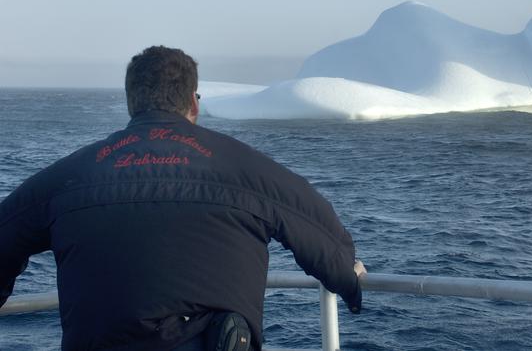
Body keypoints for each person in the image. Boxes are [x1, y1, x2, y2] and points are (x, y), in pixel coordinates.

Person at [0, 46, 366, 351]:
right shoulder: (249, 170)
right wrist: (348, 282)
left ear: (132, 102)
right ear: (194, 101)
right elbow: (322, 236)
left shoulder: (68, 176)